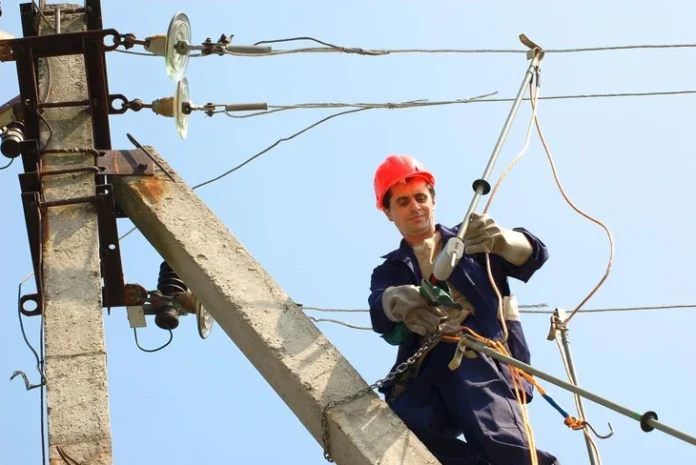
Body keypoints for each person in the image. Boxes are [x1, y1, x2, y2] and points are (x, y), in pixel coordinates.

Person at [368, 154, 560, 465]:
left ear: (433, 200)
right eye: (402, 202)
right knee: (399, 431)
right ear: (389, 213)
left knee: (496, 437)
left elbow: (533, 255)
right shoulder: (391, 269)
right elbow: (379, 312)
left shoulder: (469, 239)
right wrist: (394, 301)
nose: (414, 207)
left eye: (420, 197)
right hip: (424, 369)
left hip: (478, 354)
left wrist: (505, 241)